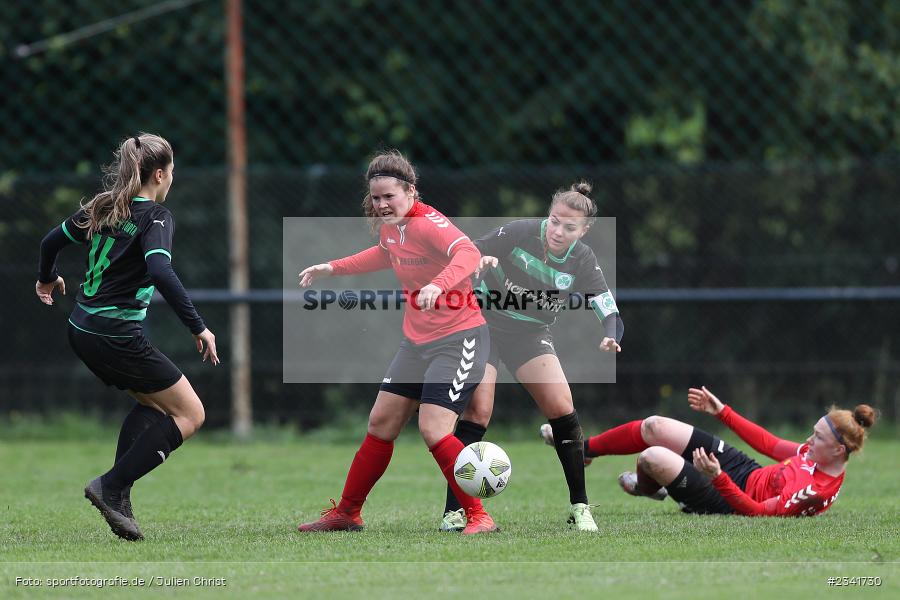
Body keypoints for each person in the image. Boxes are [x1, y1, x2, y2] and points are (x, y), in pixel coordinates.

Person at [296, 150, 497, 535]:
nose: (382, 204)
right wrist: (332, 268)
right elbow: (384, 254)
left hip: (460, 340)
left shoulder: (427, 222)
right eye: (376, 197)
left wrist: (437, 285)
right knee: (381, 422)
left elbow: (468, 252)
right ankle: (348, 513)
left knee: (435, 429)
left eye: (390, 196)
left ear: (411, 192)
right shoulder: (393, 227)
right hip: (417, 342)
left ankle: (478, 516)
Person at [35, 133, 218, 541]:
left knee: (153, 403)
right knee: (191, 414)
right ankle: (112, 487)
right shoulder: (156, 216)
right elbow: (160, 270)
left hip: (83, 329)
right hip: (116, 334)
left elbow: (50, 241)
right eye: (171, 173)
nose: (172, 180)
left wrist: (46, 279)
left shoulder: (103, 207)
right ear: (158, 174)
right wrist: (198, 326)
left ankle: (118, 497)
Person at [438, 182, 624, 533]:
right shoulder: (521, 232)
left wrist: (611, 335)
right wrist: (482, 259)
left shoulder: (582, 258)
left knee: (562, 407)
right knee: (479, 410)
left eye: (570, 227)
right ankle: (455, 511)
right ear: (548, 216)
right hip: (484, 326)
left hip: (530, 336)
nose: (558, 231)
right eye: (555, 221)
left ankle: (580, 508)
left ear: (584, 231)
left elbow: (607, 306)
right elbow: (469, 250)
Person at [544, 386, 877, 516]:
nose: (809, 440)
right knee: (655, 427)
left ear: (838, 449)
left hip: (731, 499)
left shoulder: (813, 492)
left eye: (817, 437)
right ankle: (582, 451)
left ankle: (649, 487)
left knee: (652, 457)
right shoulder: (814, 453)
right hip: (746, 472)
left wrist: (717, 477)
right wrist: (723, 412)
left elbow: (758, 513)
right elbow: (768, 444)